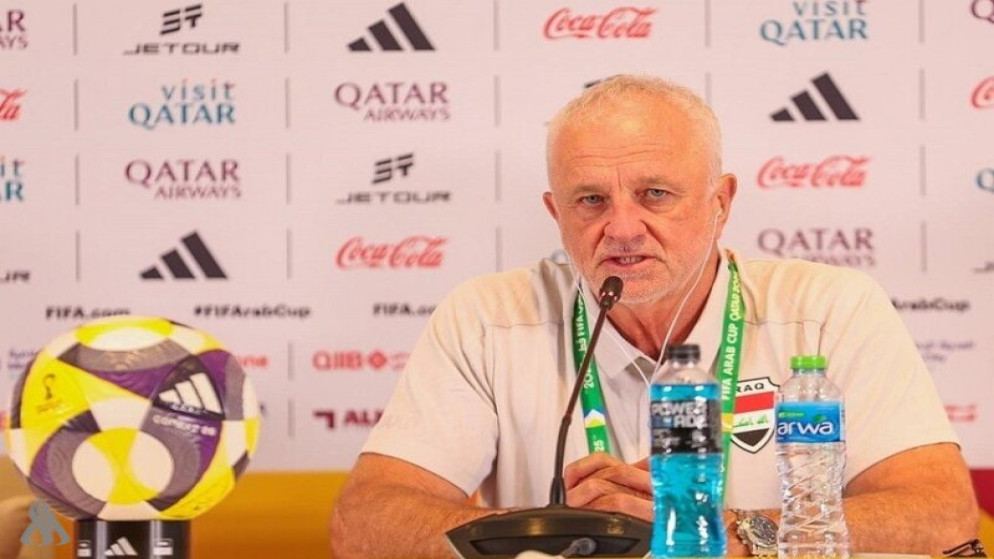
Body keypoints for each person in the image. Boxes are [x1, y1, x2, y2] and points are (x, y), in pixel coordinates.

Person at [329, 75, 979, 558]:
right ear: (556, 214)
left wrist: (730, 531)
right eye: (590, 200)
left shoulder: (829, 310)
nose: (621, 228)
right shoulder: (486, 317)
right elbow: (363, 522)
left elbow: (942, 514)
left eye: (654, 194)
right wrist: (572, 531)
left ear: (721, 202)